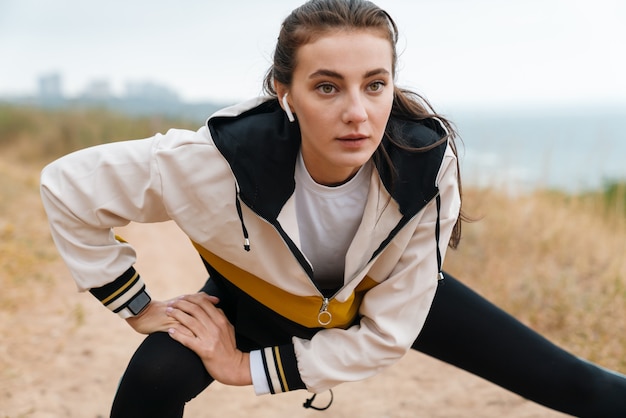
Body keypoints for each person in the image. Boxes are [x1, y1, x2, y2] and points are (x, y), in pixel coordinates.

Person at [40, 0, 626, 417]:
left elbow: (386, 334)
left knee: (582, 387)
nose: (358, 112)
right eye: (327, 87)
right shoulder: (211, 161)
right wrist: (138, 305)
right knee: (155, 377)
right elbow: (68, 186)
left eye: (375, 84)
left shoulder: (424, 161)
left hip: (378, 291)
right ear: (283, 91)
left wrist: (249, 370)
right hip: (262, 293)